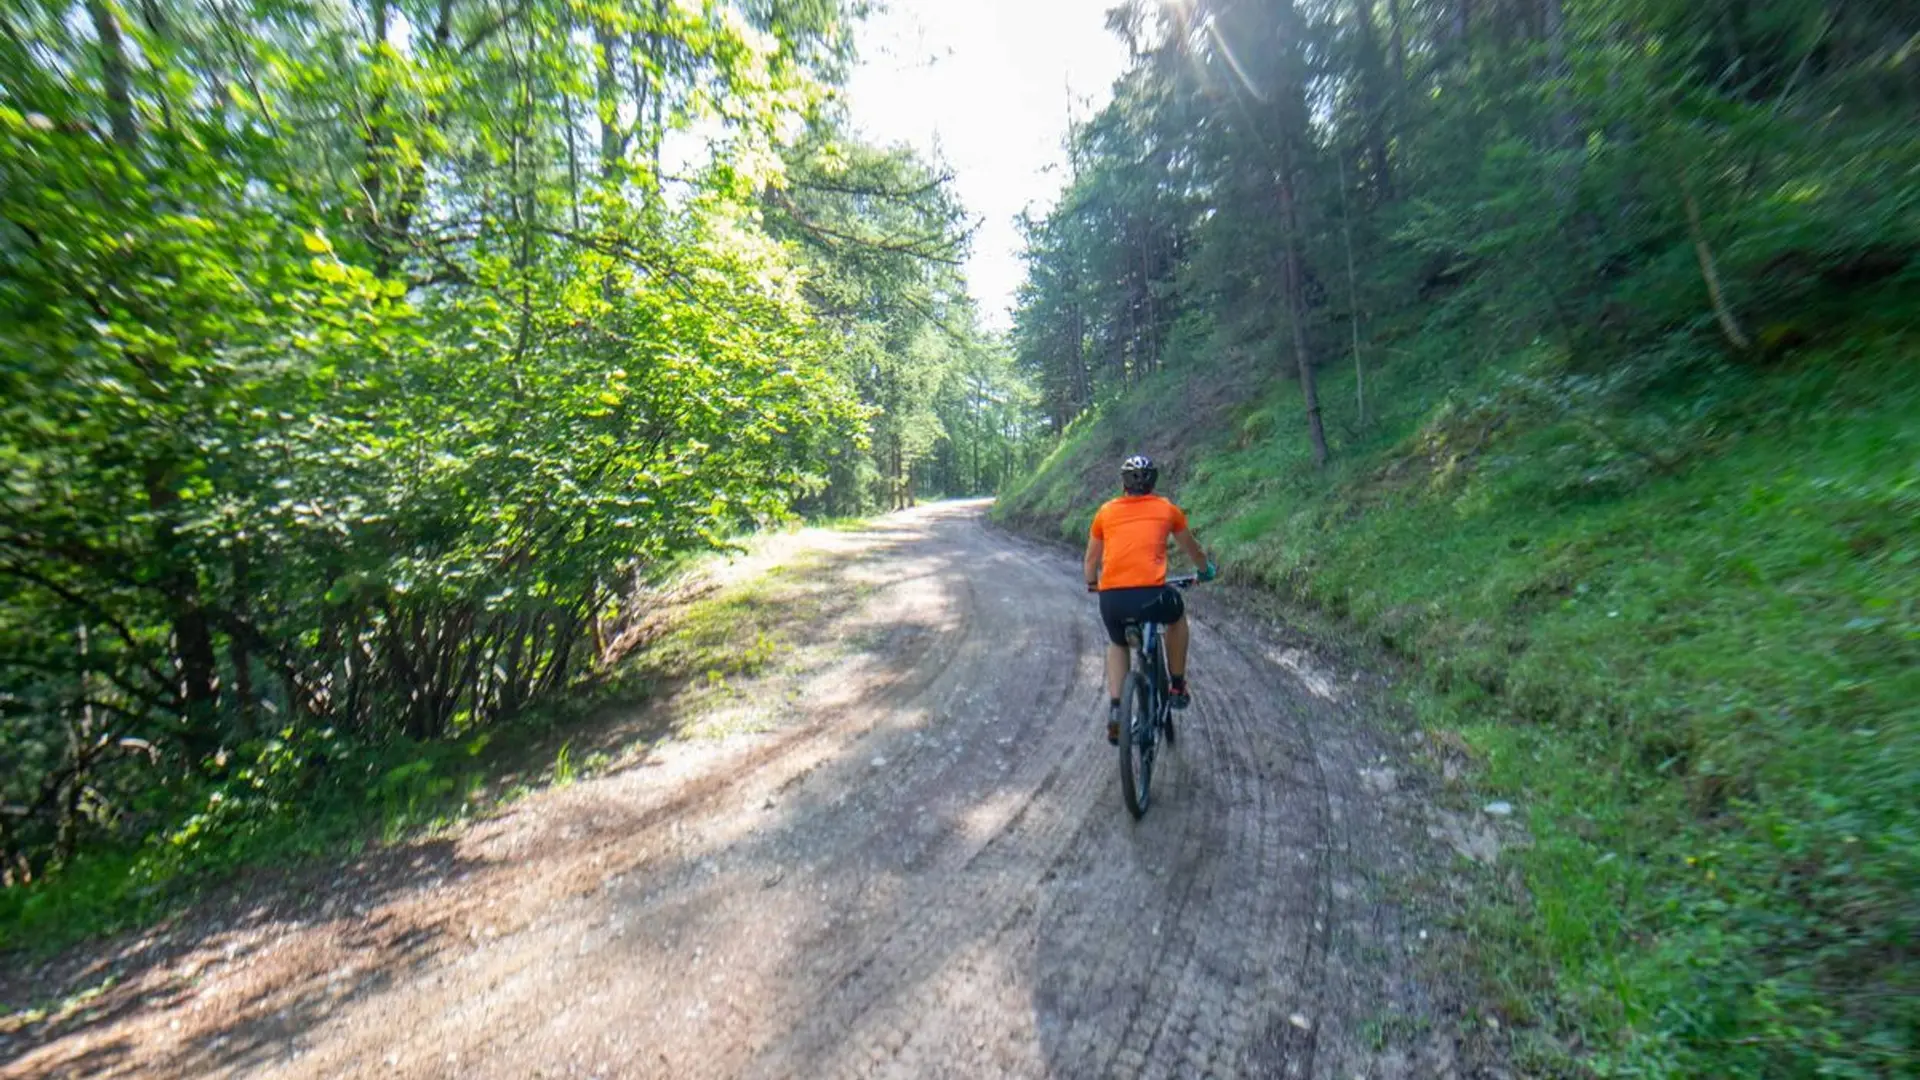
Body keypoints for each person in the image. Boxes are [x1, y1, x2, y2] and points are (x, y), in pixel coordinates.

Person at [1084, 454, 1216, 745]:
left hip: (1113, 600)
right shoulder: (1167, 510)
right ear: (1154, 482)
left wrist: (1093, 583)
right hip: (1152, 596)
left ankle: (1118, 712)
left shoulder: (1105, 512)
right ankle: (1178, 685)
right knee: (1177, 616)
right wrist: (1205, 571)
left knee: (1118, 643)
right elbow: (1192, 550)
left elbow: (1091, 559)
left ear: (1123, 483)